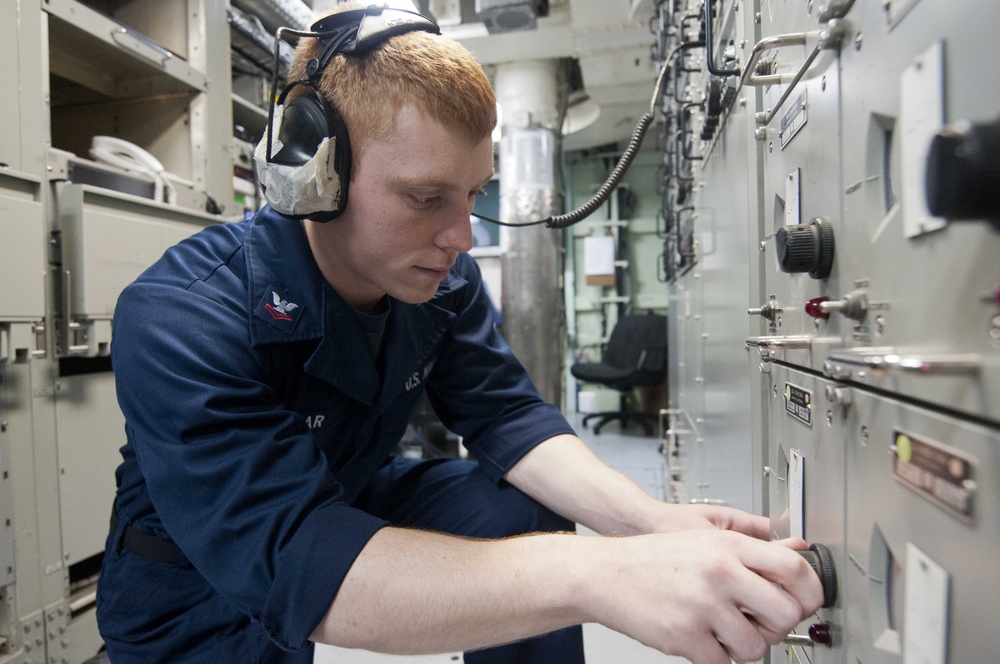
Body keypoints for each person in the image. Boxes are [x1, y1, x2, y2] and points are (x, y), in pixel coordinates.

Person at [96, 3, 822, 663]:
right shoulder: (183, 314)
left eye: (473, 194)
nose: (462, 236)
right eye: (425, 198)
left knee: (518, 505)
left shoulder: (439, 282)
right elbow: (297, 558)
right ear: (313, 170)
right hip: (193, 582)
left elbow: (505, 415)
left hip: (345, 491)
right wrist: (596, 575)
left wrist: (651, 523)